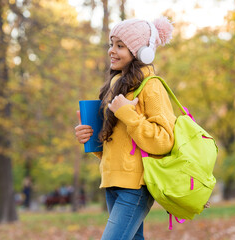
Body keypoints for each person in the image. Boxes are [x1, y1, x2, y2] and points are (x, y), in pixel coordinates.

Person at [75, 17, 176, 240]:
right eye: (112, 44)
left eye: (120, 46)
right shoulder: (115, 85)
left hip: (136, 185)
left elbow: (164, 141)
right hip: (112, 181)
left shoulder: (152, 86)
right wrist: (90, 138)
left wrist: (127, 114)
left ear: (141, 52)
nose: (112, 51)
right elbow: (114, 145)